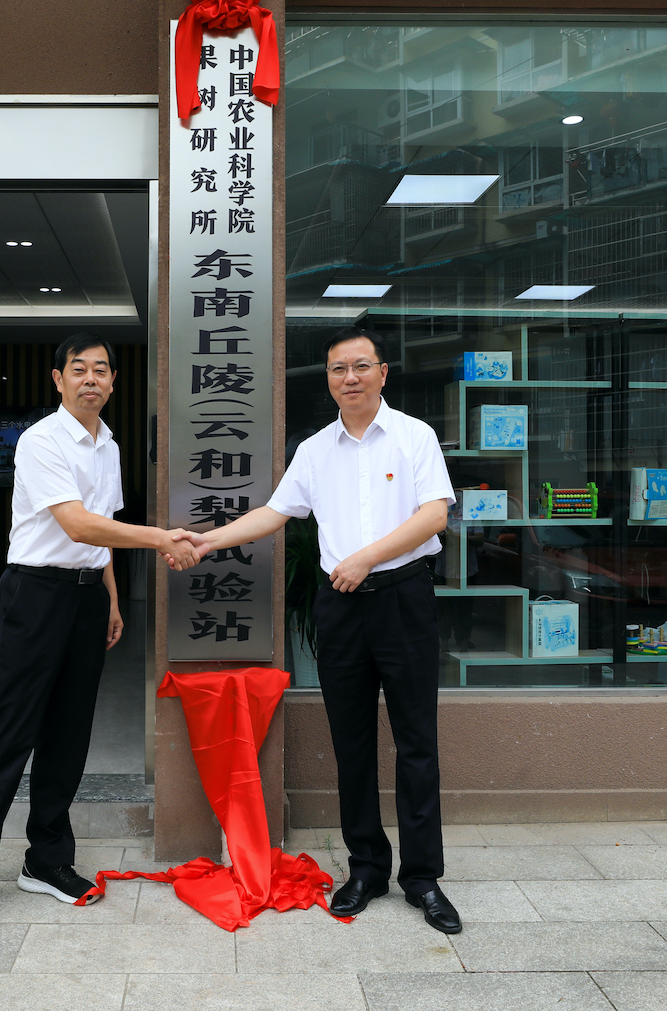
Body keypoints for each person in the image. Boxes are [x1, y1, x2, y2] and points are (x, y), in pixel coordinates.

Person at [188, 327, 461, 934]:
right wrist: (208, 541)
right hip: (341, 606)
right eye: (339, 369)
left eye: (361, 366)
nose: (350, 378)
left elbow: (434, 516)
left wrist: (367, 558)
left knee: (417, 743)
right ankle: (366, 868)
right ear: (329, 380)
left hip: (404, 599)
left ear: (383, 373)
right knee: (351, 743)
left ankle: (423, 878)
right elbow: (275, 512)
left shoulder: (414, 436)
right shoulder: (314, 449)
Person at [0, 334, 201, 933]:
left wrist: (109, 596)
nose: (91, 379)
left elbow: (103, 528)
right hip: (34, 595)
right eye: (79, 369)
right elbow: (78, 525)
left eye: (102, 370)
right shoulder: (41, 440)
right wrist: (162, 538)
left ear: (114, 382)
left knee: (68, 736)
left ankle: (46, 861)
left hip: (86, 598)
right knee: (11, 736)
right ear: (57, 379)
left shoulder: (108, 443)